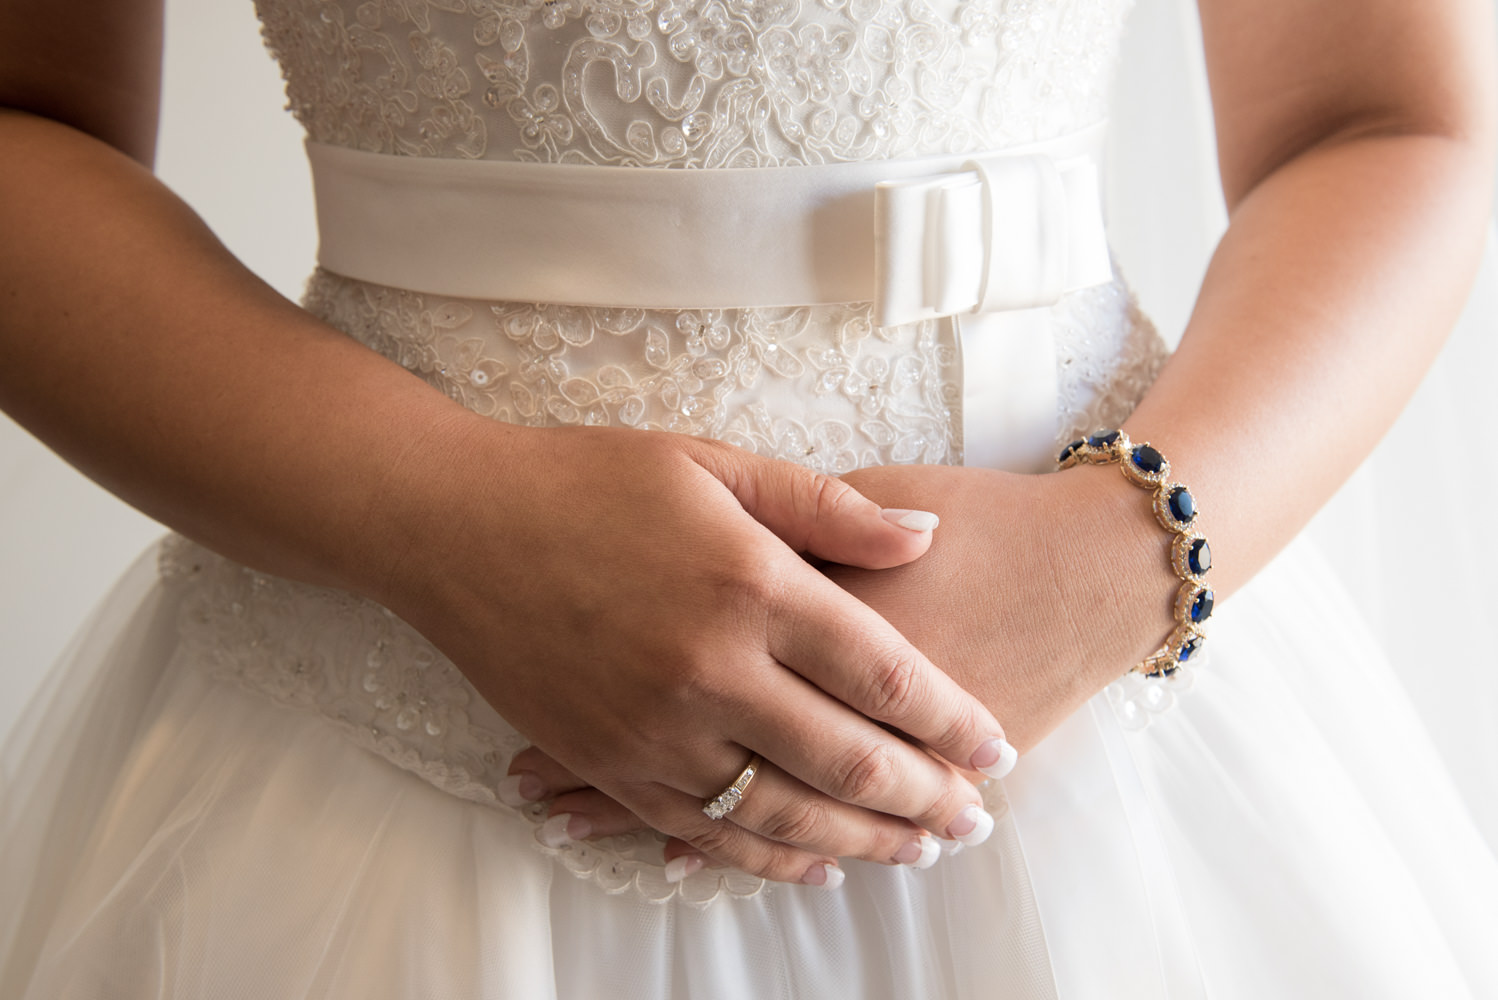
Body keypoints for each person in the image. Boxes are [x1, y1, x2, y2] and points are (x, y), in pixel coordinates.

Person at [2, 0, 1496, 996]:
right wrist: (443, 521)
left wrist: (1112, 567)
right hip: (386, 736)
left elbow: (1383, 119)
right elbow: (25, 125)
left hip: (1093, 712)